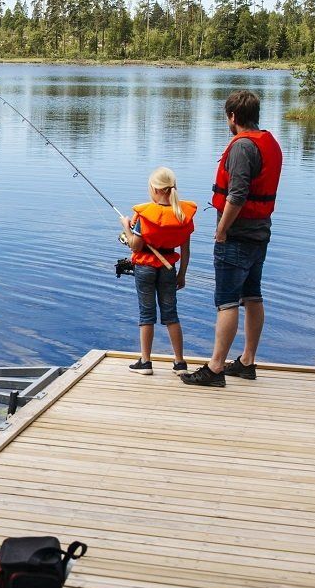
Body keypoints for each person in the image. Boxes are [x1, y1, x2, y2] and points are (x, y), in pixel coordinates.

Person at [182, 90, 281, 388]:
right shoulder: (269, 142)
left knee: (226, 302)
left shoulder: (242, 148)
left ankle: (215, 368)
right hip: (260, 232)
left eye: (227, 116)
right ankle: (247, 361)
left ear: (233, 117)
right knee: (252, 295)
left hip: (237, 236)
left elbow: (237, 195)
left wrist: (222, 230)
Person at [120, 167, 196, 374]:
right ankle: (180, 362)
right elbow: (186, 250)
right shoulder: (182, 214)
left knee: (147, 314)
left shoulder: (144, 215)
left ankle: (145, 362)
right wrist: (182, 274)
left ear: (154, 189)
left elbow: (135, 246)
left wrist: (126, 226)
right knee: (171, 314)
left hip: (145, 267)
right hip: (169, 267)